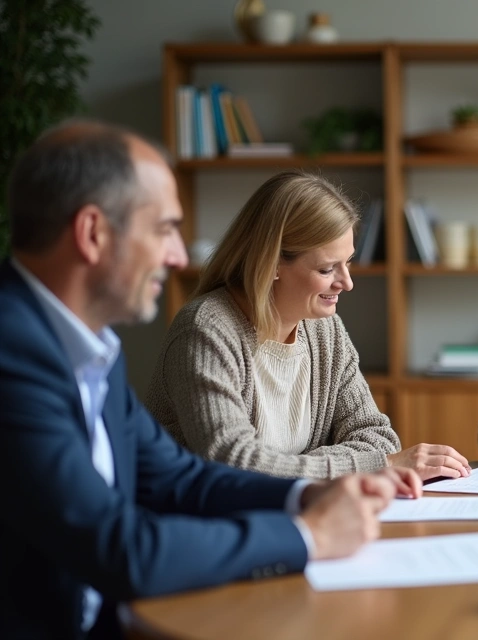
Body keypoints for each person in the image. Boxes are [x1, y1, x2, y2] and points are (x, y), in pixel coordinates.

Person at [0, 120, 422, 639]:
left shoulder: (91, 350)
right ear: (92, 233)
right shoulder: (13, 355)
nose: (178, 255)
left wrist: (304, 497)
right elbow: (121, 546)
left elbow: (181, 477)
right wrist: (307, 533)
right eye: (163, 229)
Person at [145, 171, 470, 481]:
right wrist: (375, 466)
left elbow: (379, 437)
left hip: (293, 513)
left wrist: (296, 468)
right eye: (328, 269)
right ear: (271, 265)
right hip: (201, 527)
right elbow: (234, 465)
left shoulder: (324, 332)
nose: (347, 283)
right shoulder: (206, 332)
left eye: (348, 263)